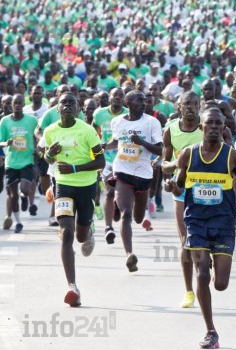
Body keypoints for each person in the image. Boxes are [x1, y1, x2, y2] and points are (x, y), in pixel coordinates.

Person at [165, 108, 236, 349]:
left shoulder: (232, 156)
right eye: (209, 123)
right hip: (196, 222)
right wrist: (172, 188)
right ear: (201, 127)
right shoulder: (188, 156)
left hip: (223, 224)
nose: (214, 127)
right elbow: (180, 189)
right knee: (201, 274)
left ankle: (214, 264)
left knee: (220, 284)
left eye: (218, 124)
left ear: (224, 128)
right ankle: (211, 331)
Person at [43, 92, 105, 306]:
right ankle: (72, 286)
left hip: (86, 186)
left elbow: (101, 162)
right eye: (63, 103)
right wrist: (50, 154)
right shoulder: (50, 131)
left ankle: (88, 230)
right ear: (57, 109)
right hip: (63, 186)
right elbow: (47, 158)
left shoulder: (87, 131)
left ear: (78, 108)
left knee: (79, 237)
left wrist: (75, 168)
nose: (67, 106)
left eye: (72, 103)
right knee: (66, 233)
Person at [104, 90, 163, 272]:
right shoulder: (117, 121)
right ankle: (129, 255)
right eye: (139, 100)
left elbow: (160, 150)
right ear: (127, 103)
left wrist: (142, 143)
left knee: (138, 218)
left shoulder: (152, 122)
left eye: (144, 100)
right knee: (126, 214)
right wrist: (104, 146)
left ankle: (117, 203)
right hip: (122, 170)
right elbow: (116, 142)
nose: (143, 103)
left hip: (144, 175)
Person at [162, 91, 203, 308]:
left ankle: (206, 269)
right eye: (186, 103)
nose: (190, 107)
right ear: (178, 106)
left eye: (195, 103)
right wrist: (169, 179)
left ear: (200, 106)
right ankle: (189, 291)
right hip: (182, 190)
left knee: (204, 241)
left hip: (208, 189)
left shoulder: (209, 127)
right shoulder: (171, 130)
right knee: (186, 241)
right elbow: (165, 162)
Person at [93, 88, 128, 243]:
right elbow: (94, 132)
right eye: (115, 96)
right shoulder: (99, 114)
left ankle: (116, 204)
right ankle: (108, 227)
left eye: (121, 96)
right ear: (109, 98)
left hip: (125, 159)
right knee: (109, 191)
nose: (118, 98)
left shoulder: (129, 114)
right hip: (106, 160)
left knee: (120, 193)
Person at [0, 94, 38, 233]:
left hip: (27, 160)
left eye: (19, 103)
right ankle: (18, 222)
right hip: (11, 162)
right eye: (14, 103)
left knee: (26, 189)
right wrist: (6, 143)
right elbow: (0, 141)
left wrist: (37, 149)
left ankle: (25, 197)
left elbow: (38, 134)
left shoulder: (32, 120)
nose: (16, 105)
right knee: (12, 195)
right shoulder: (4, 121)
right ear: (11, 105)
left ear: (23, 105)